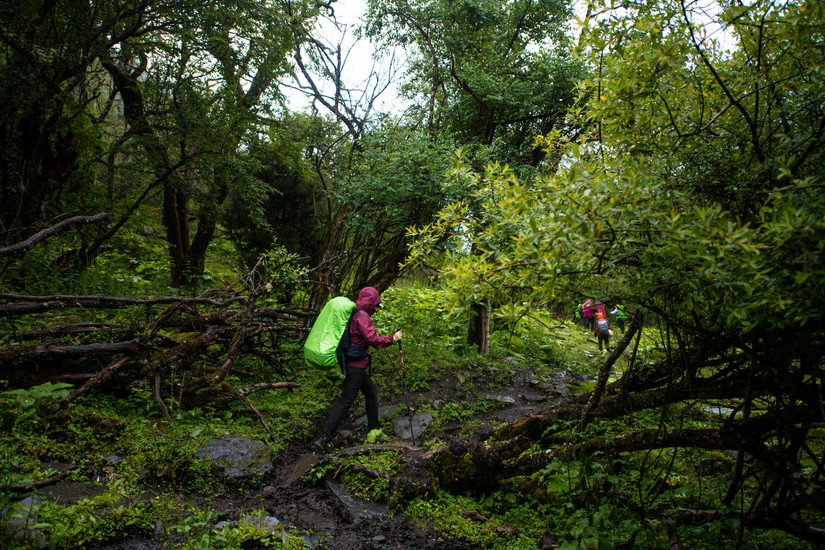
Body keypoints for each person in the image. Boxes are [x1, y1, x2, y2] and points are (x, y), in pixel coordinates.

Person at [315, 287, 402, 450]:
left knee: (370, 393)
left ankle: (374, 428)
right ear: (371, 302)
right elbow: (372, 339)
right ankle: (325, 437)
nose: (375, 310)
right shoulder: (362, 316)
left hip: (353, 363)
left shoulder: (353, 313)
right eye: (376, 306)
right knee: (346, 401)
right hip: (355, 365)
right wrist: (392, 339)